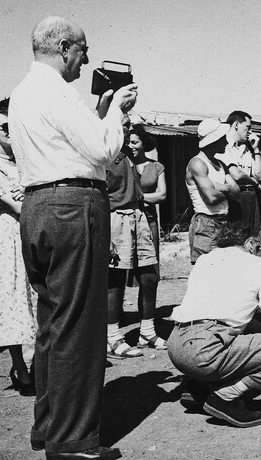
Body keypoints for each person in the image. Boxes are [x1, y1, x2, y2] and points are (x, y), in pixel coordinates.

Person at [9, 16, 136, 460]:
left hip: (39, 206)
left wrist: (101, 110)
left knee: (54, 324)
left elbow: (71, 142)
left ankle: (49, 428)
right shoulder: (56, 91)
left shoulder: (24, 92)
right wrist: (117, 109)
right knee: (80, 327)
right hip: (73, 206)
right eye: (82, 50)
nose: (85, 59)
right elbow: (102, 150)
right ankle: (72, 441)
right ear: (64, 47)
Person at [167, 222, 261, 428]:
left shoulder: (205, 260)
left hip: (176, 345)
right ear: (250, 243)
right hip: (207, 351)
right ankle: (225, 396)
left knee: (243, 339)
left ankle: (200, 386)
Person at [0, 104, 38, 396]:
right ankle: (22, 371)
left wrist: (27, 191)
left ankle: (40, 364)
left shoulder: (26, 160)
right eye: (5, 127)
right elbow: (19, 206)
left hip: (33, 229)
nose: (11, 131)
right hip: (8, 235)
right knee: (11, 298)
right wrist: (26, 194)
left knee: (37, 295)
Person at [106, 116, 164, 359]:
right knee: (116, 279)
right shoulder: (104, 156)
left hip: (138, 216)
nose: (127, 130)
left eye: (128, 125)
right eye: (123, 124)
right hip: (115, 217)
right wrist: (105, 234)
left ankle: (147, 332)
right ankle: (112, 337)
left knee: (149, 276)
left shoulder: (129, 155)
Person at [129, 123, 167, 348]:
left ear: (144, 144)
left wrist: (138, 198)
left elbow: (162, 195)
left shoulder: (156, 166)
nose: (131, 146)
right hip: (125, 221)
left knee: (149, 275)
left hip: (149, 221)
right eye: (129, 142)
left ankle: (147, 328)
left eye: (135, 142)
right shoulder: (121, 163)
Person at [186, 118, 240, 264]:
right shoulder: (197, 163)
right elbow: (211, 197)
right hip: (206, 222)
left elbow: (236, 191)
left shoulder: (221, 164)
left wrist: (222, 186)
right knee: (207, 270)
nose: (226, 142)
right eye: (222, 138)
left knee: (224, 269)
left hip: (223, 221)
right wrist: (227, 188)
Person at [215, 111, 261, 235]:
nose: (250, 132)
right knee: (237, 236)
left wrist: (256, 150)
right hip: (235, 197)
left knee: (254, 236)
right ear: (236, 124)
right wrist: (252, 180)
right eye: (248, 127)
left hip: (251, 195)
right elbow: (236, 175)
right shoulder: (223, 144)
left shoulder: (247, 148)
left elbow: (260, 175)